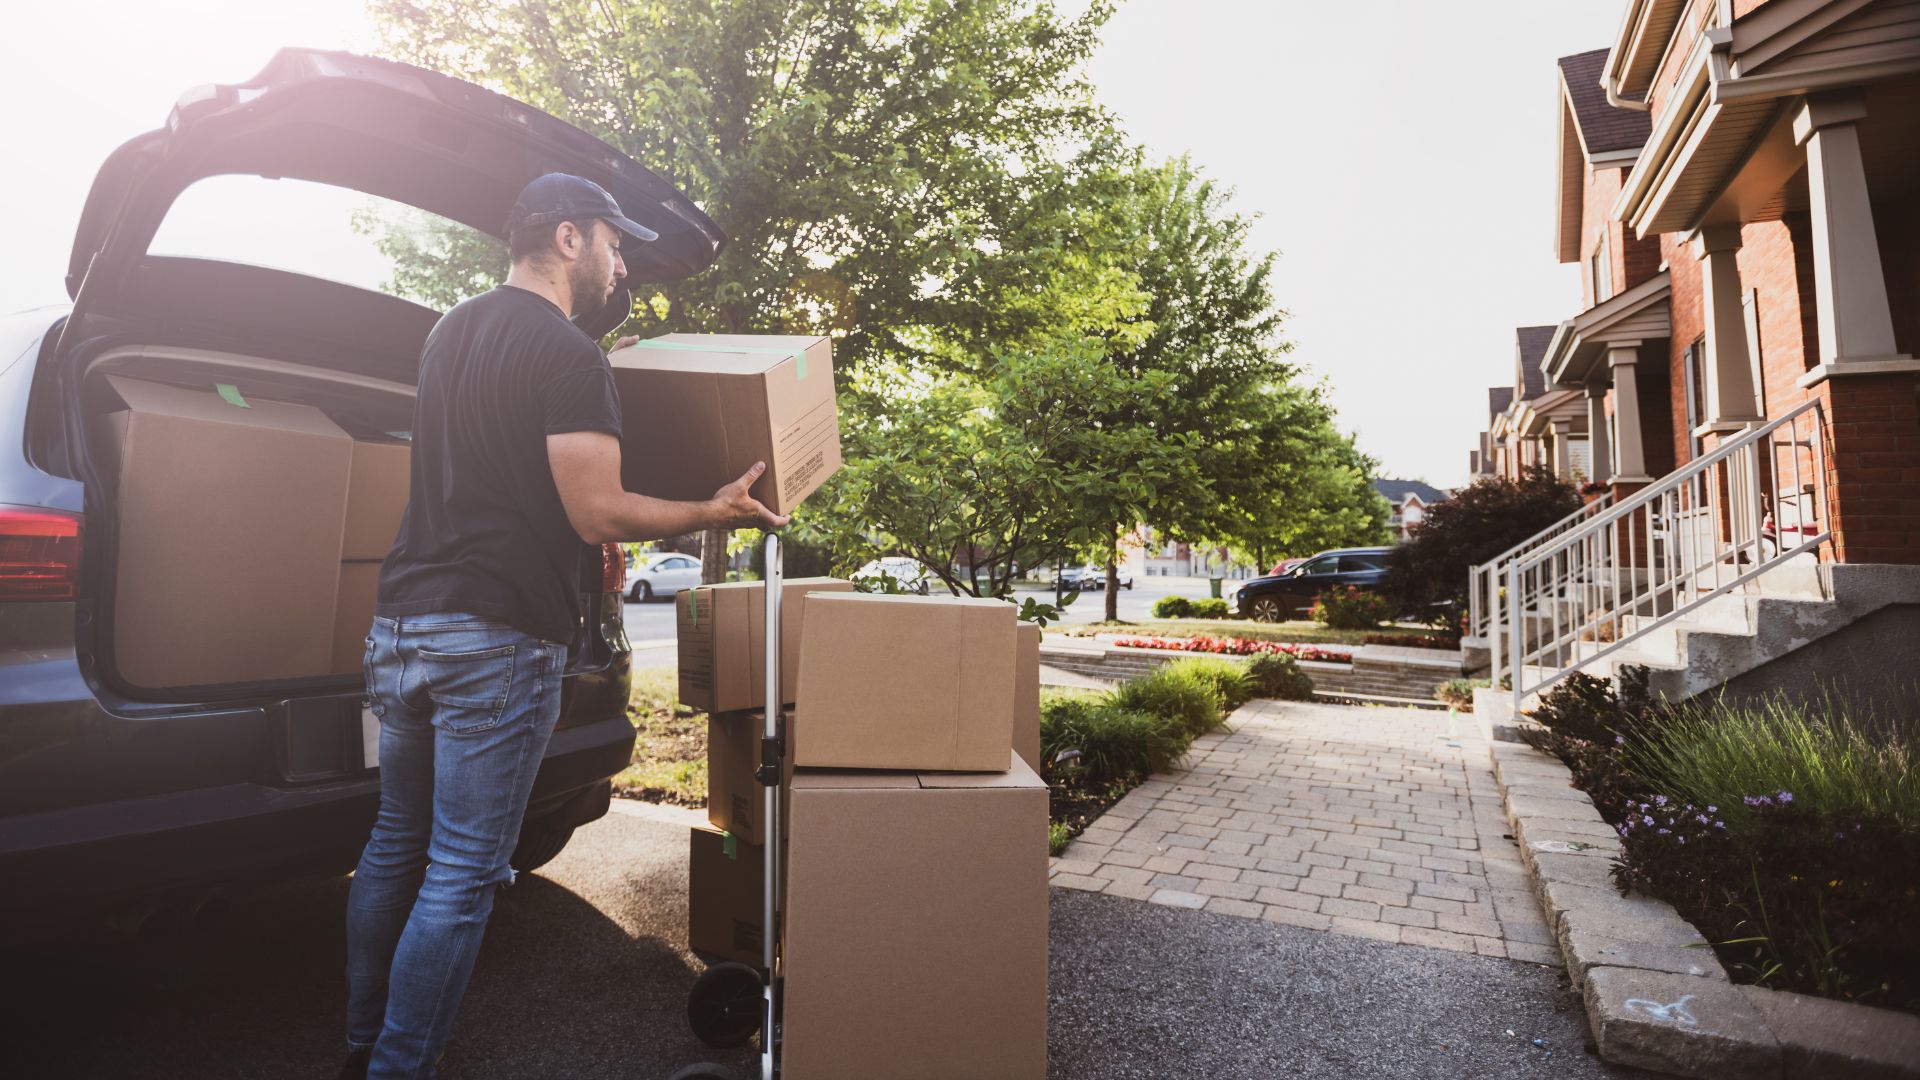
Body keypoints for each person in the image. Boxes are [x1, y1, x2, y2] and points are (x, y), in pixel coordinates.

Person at [340, 173, 785, 1080]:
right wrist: (713, 509)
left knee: (395, 842)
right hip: (494, 637)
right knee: (463, 869)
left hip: (401, 625)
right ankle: (396, 1070)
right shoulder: (570, 354)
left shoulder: (447, 331)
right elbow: (598, 511)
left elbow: (502, 483)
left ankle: (362, 1047)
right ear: (570, 238)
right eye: (616, 246)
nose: (622, 267)